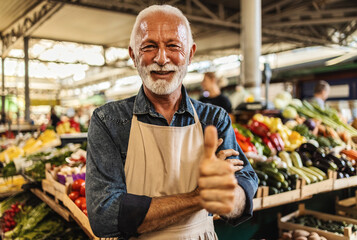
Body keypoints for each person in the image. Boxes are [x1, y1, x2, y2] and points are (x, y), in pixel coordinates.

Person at [86, 5, 258, 239]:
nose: (161, 58)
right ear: (133, 55)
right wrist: (199, 197)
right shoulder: (109, 121)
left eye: (173, 46)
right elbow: (104, 215)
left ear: (190, 54)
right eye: (149, 47)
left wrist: (227, 194)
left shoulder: (214, 119)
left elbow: (241, 193)